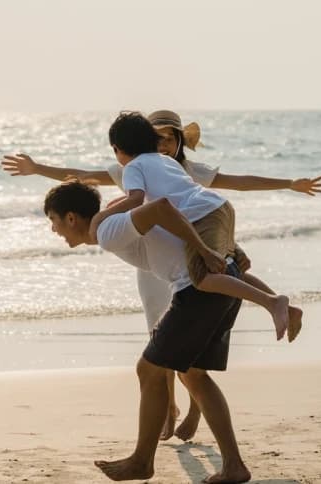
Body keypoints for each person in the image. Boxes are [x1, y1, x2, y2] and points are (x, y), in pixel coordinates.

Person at [2, 109, 321, 440]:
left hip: (192, 234)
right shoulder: (156, 167)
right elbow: (83, 177)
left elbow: (223, 186)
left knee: (187, 319)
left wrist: (288, 184)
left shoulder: (149, 170)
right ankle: (169, 410)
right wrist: (38, 169)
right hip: (174, 244)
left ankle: (273, 304)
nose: (165, 143)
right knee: (167, 341)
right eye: (161, 137)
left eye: (171, 137)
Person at [44, 181, 251, 483]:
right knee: (193, 374)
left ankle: (142, 461)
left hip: (197, 290)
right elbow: (172, 220)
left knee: (149, 370)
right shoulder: (110, 223)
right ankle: (234, 465)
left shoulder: (107, 230)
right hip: (216, 285)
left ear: (71, 218)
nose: (54, 230)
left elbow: (161, 208)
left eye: (53, 220)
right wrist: (232, 253)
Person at [95, 111, 302, 341]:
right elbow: (169, 196)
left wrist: (102, 217)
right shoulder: (166, 162)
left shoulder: (132, 168)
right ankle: (283, 308)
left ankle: (274, 303)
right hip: (216, 208)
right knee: (228, 270)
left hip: (202, 216)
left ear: (117, 149)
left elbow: (135, 200)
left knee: (202, 278)